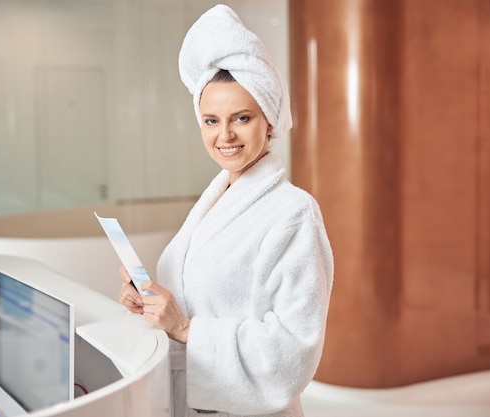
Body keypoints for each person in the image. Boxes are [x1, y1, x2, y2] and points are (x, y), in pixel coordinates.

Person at [118, 4, 333, 417]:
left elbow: (293, 352)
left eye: (242, 118)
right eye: (211, 120)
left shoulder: (294, 214)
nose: (225, 135)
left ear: (268, 121)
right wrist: (149, 301)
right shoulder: (216, 199)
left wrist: (183, 327)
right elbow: (197, 296)